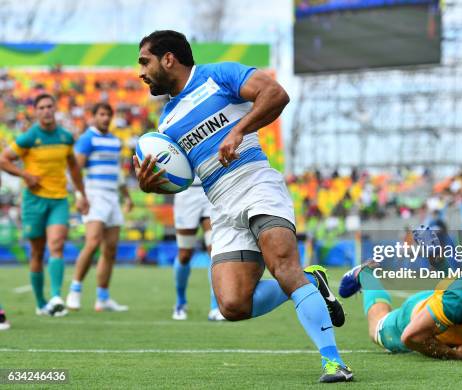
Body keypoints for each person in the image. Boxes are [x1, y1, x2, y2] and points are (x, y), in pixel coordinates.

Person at [134, 30, 352, 382]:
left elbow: (276, 94)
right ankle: (312, 280)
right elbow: (188, 178)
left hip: (256, 184)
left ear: (169, 59)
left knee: (283, 267)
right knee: (233, 305)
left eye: (145, 61)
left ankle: (334, 362)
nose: (141, 72)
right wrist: (155, 186)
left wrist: (238, 130)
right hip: (220, 206)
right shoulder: (166, 123)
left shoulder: (219, 75)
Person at [0, 93, 89, 316]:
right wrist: (25, 175)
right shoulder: (29, 137)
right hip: (33, 202)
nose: (46, 110)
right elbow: (3, 159)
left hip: (58, 200)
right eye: (41, 107)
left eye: (50, 106)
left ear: (55, 108)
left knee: (56, 244)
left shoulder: (66, 137)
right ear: (36, 111)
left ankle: (57, 297)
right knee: (37, 253)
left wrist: (81, 194)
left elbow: (74, 168)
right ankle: (41, 303)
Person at [66, 103, 131, 312]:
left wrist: (127, 197)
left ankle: (102, 298)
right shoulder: (87, 139)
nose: (105, 118)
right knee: (92, 242)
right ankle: (75, 290)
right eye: (101, 114)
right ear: (93, 117)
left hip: (112, 197)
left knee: (110, 249)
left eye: (108, 115)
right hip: (94, 195)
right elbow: (75, 170)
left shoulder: (115, 141)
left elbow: (118, 173)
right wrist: (79, 195)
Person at [172, 181, 224, 321]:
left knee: (215, 251)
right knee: (184, 255)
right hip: (185, 190)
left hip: (212, 187)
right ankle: (181, 302)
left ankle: (215, 307)